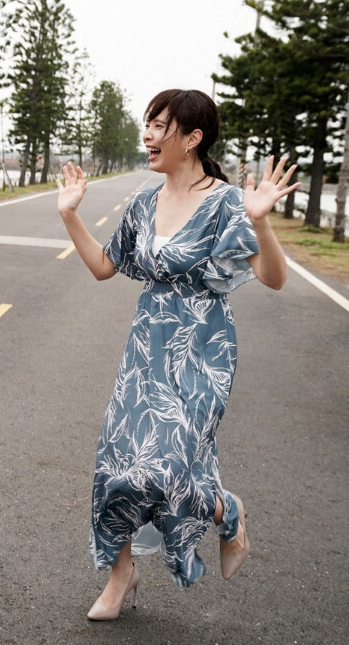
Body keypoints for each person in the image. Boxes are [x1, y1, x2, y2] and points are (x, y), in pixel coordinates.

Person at [54, 89, 299, 620]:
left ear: (192, 138)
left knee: (163, 469)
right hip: (146, 346)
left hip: (203, 349)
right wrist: (70, 215)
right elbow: (104, 266)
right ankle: (121, 575)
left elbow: (273, 280)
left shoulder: (228, 204)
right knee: (118, 468)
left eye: (159, 125)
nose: (147, 134)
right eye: (147, 123)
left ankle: (224, 509)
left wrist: (260, 221)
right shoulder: (144, 202)